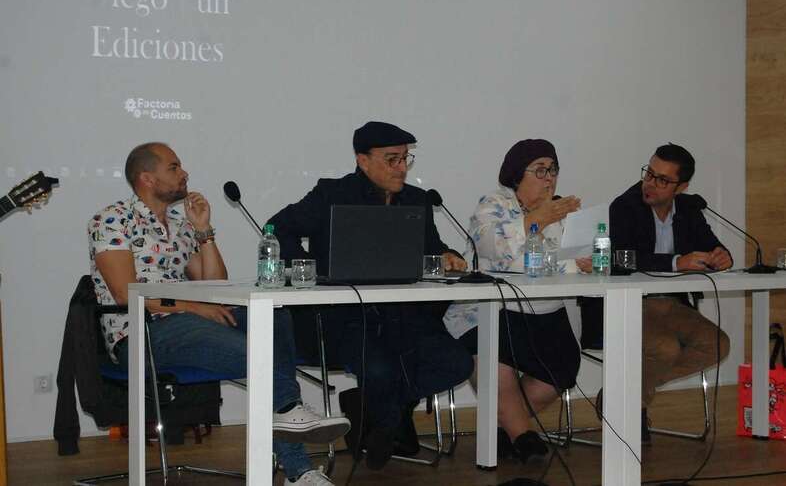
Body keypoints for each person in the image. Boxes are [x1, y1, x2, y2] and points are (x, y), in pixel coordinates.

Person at [88, 142, 348, 485]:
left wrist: (203, 231)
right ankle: (292, 427)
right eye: (174, 167)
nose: (184, 173)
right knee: (255, 353)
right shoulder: (112, 220)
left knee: (274, 317)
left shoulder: (179, 225)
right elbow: (125, 294)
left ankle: (293, 441)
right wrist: (194, 307)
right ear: (147, 178)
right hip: (141, 331)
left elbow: (214, 284)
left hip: (190, 321)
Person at [267, 121, 474, 470]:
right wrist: (310, 271)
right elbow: (277, 228)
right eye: (392, 159)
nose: (402, 167)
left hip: (408, 317)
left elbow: (431, 247)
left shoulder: (417, 200)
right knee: (379, 370)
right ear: (363, 161)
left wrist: (448, 255)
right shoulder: (332, 194)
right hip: (350, 318)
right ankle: (386, 418)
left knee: (457, 363)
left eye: (406, 158)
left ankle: (379, 415)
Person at [443, 139, 582, 465]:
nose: (549, 178)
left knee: (562, 371)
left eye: (553, 170)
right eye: (540, 170)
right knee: (495, 361)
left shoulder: (561, 211)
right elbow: (494, 251)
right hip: (490, 310)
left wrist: (583, 257)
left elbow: (576, 258)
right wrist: (537, 221)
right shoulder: (493, 204)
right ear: (517, 175)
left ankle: (501, 428)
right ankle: (523, 437)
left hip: (545, 312)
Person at [582, 143, 732, 443]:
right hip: (632, 303)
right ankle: (631, 406)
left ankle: (621, 396)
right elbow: (622, 259)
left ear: (681, 187)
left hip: (673, 306)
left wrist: (722, 256)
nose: (650, 183)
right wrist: (676, 262)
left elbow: (712, 245)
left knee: (717, 344)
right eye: (649, 173)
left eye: (662, 180)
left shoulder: (689, 209)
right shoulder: (625, 206)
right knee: (665, 348)